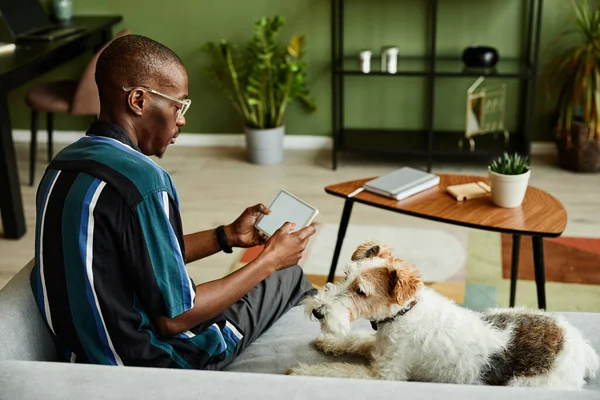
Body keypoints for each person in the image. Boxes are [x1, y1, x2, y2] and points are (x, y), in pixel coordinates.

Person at [30, 34, 317, 370]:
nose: (181, 118)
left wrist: (227, 236)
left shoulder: (64, 163)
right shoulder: (145, 181)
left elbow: (140, 258)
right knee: (288, 275)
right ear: (138, 100)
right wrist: (270, 260)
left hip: (82, 356)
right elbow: (175, 318)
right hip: (154, 363)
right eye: (178, 104)